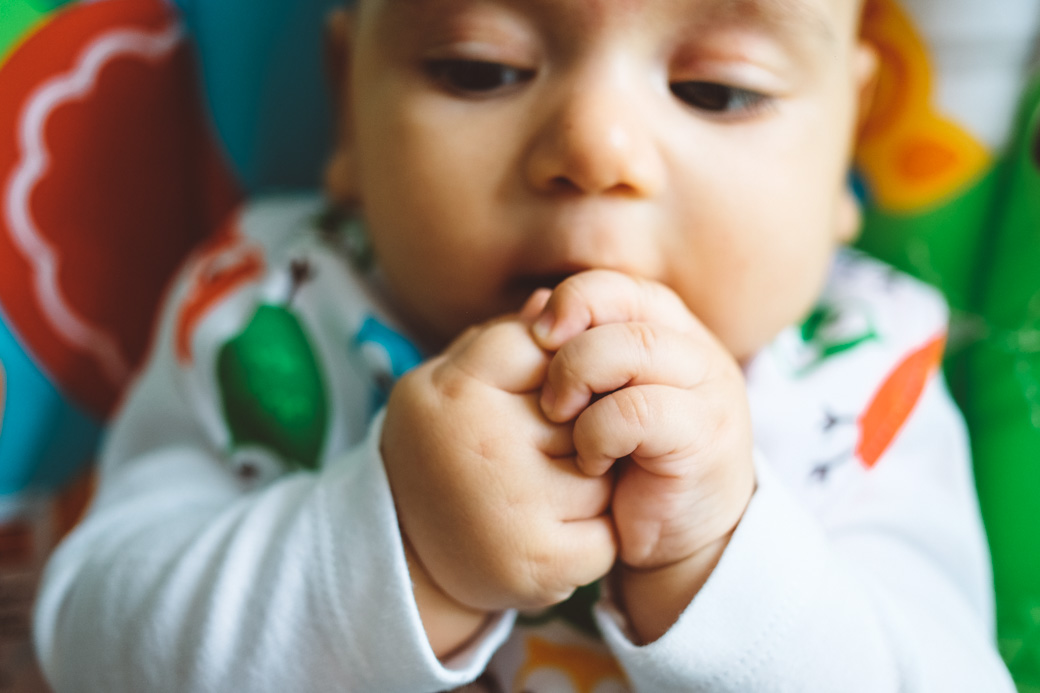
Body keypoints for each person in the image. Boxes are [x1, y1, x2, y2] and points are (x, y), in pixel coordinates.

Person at [33, 0, 1016, 690]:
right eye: (480, 68)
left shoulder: (854, 384)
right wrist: (401, 552)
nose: (593, 145)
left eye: (718, 89)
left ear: (845, 141)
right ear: (348, 103)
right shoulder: (271, 316)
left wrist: (720, 557)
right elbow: (89, 647)